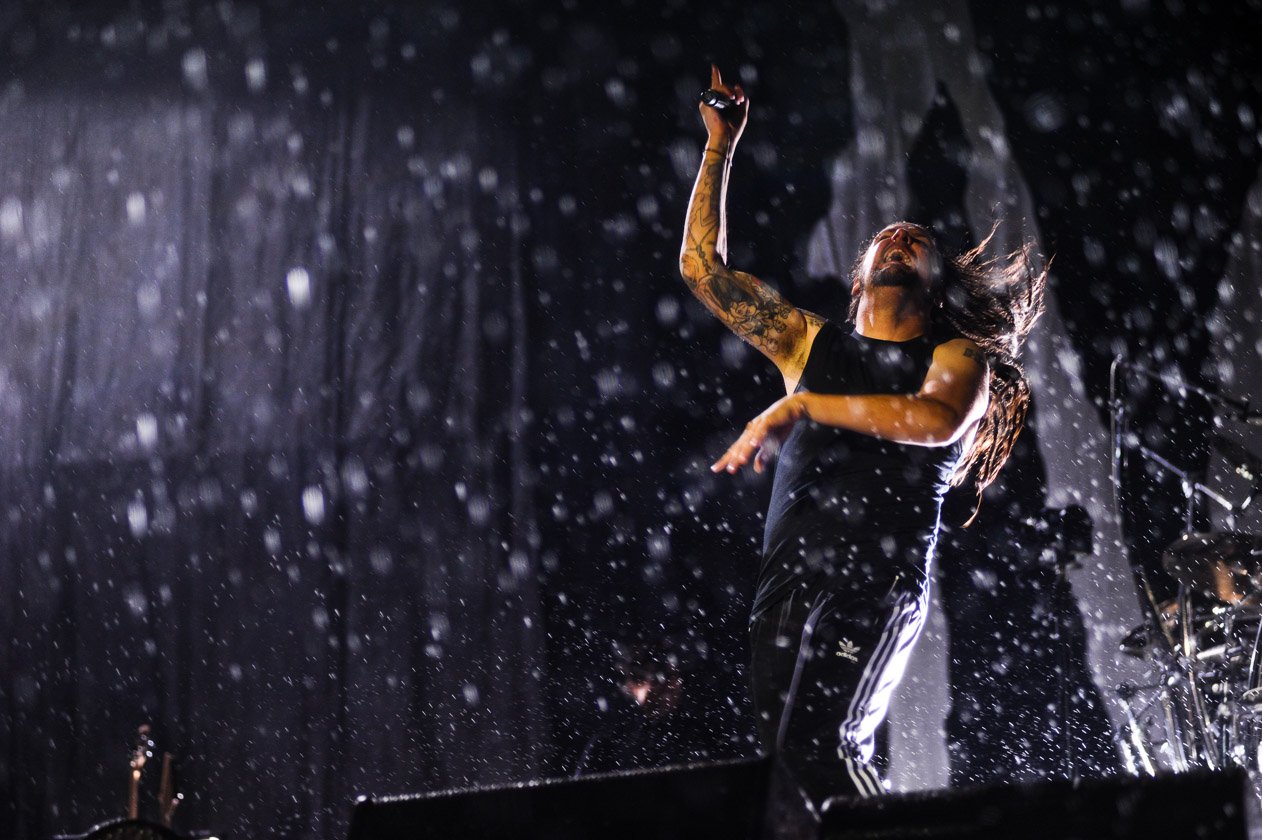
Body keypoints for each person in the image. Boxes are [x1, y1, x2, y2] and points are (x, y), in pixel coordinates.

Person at [678, 65, 1045, 810]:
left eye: (916, 241)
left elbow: (935, 421)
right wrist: (720, 147)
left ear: (937, 281)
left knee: (827, 744)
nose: (900, 240)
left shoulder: (955, 356)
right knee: (788, 776)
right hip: (786, 586)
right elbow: (701, 267)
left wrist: (804, 410)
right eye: (888, 237)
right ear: (858, 279)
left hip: (872, 581)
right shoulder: (806, 343)